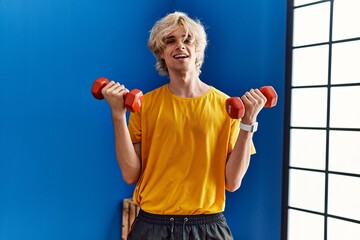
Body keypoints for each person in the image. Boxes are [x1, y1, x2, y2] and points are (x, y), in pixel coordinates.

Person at [101, 11, 266, 240]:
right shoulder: (144, 105)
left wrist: (248, 122)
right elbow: (130, 175)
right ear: (161, 52)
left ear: (198, 48)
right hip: (153, 224)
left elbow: (232, 182)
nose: (180, 46)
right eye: (170, 41)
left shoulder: (226, 106)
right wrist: (118, 115)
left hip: (208, 226)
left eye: (187, 39)